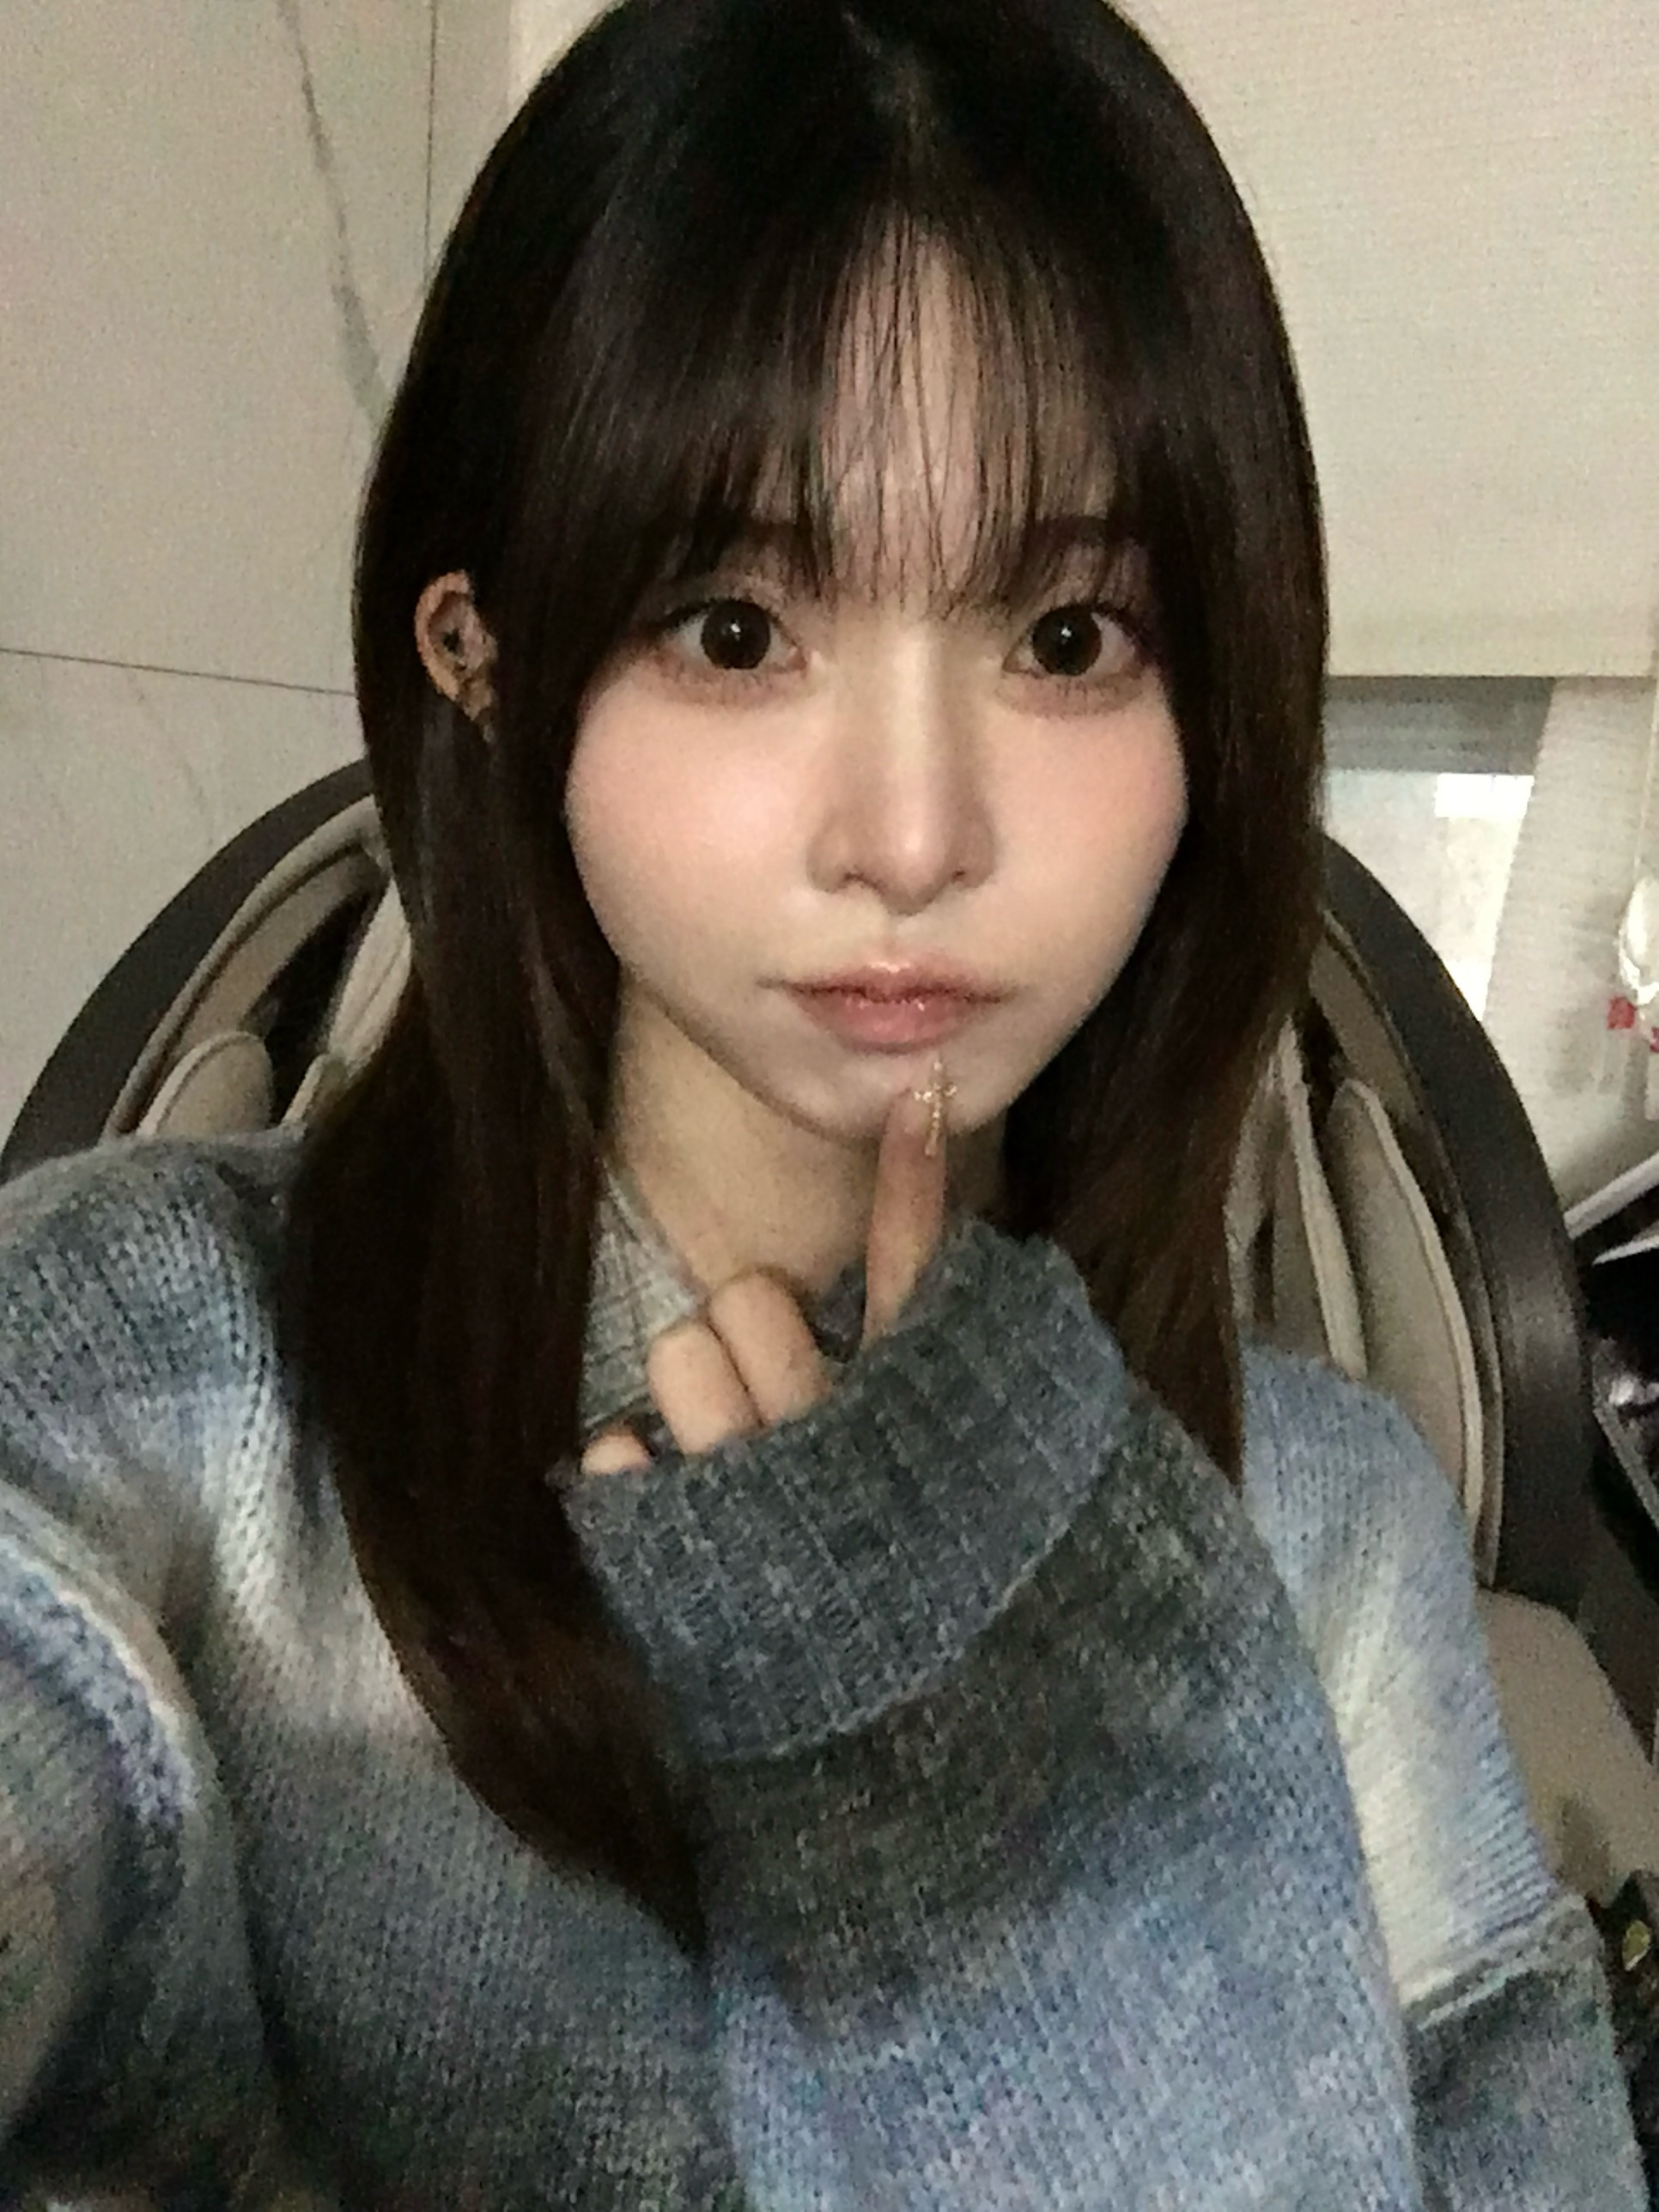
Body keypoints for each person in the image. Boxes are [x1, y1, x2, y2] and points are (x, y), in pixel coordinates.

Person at [0, 0, 1643, 2203]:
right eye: (735, 628)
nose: (912, 835)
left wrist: (1006, 1907)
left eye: (1068, 637)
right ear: (484, 656)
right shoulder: (153, 1374)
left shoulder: (1322, 1525)